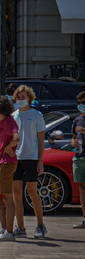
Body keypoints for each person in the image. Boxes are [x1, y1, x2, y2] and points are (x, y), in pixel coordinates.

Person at [11, 85, 47, 239]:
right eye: (18, 98)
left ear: (30, 98)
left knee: (32, 192)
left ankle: (40, 225)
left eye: (23, 97)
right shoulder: (13, 116)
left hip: (31, 158)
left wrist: (40, 161)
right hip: (15, 158)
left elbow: (41, 139)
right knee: (16, 193)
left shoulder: (37, 115)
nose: (21, 100)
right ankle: (20, 227)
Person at [0, 95, 20, 241]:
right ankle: (4, 228)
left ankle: (9, 232)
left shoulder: (8, 121)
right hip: (1, 162)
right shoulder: (0, 121)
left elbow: (16, 138)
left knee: (7, 197)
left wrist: (9, 148)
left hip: (8, 163)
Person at [71, 91, 85, 229]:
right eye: (79, 103)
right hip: (79, 157)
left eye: (84, 102)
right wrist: (73, 142)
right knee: (82, 188)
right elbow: (74, 137)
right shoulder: (77, 119)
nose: (81, 105)